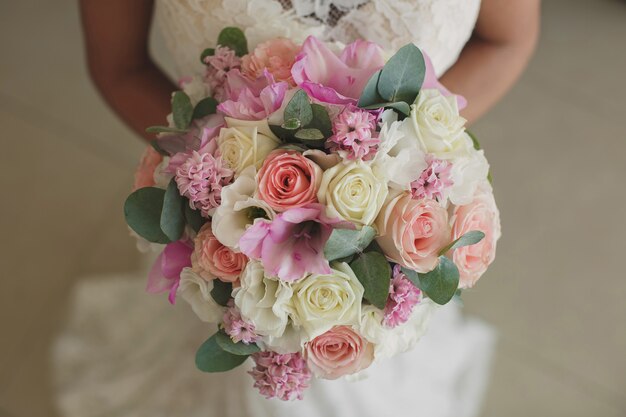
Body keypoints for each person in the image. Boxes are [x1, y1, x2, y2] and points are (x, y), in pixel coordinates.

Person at [53, 1, 540, 417]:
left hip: (386, 233)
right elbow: (120, 68)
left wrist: (401, 162)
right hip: (226, 219)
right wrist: (208, 168)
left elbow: (504, 41)